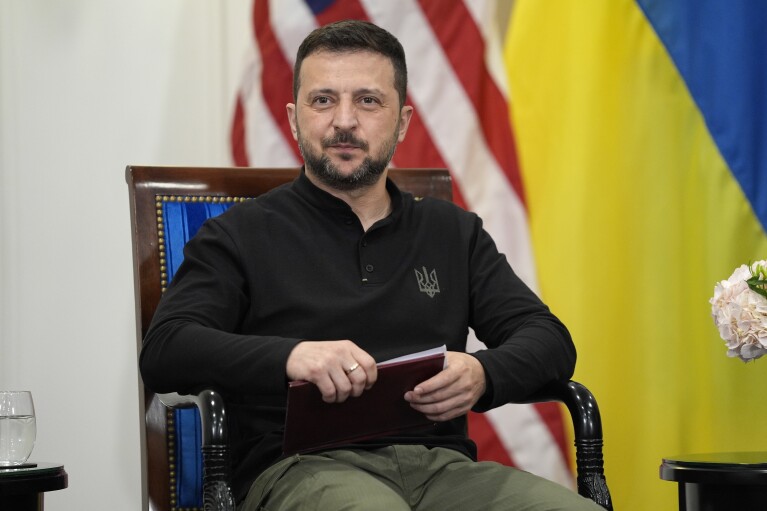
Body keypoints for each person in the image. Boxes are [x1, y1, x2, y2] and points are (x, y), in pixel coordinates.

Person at [140, 19, 602, 511]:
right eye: (323, 100)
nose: (344, 120)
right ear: (295, 119)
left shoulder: (453, 232)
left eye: (367, 100)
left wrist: (483, 372)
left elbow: (550, 340)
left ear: (401, 122)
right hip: (301, 469)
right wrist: (292, 357)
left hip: (442, 469)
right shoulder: (238, 234)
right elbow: (167, 348)